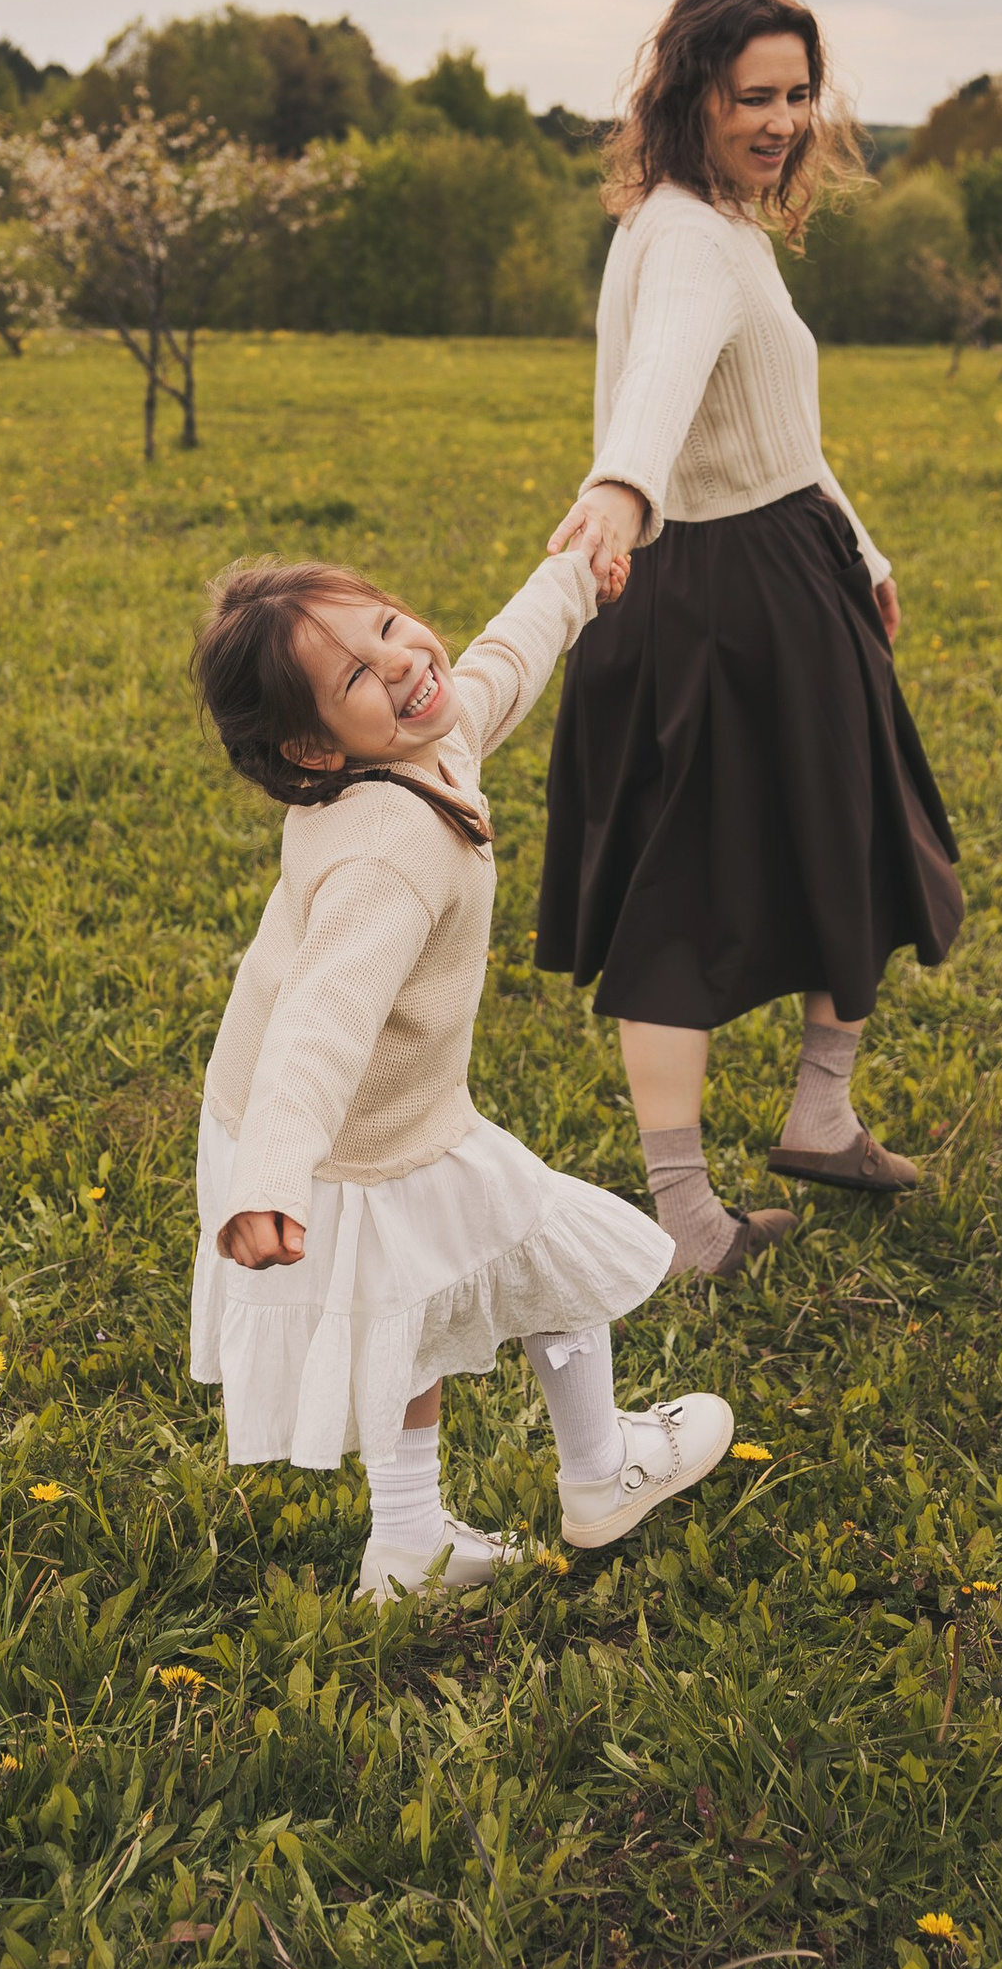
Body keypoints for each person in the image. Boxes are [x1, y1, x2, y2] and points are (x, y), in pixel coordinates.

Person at [188, 538, 735, 1599]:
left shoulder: (415, 743)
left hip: (335, 1130)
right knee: (549, 1254)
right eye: (355, 676)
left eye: (388, 627)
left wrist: (581, 573)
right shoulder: (388, 847)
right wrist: (270, 1179)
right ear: (311, 748)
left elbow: (503, 658)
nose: (398, 663)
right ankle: (601, 1471)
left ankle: (408, 1547)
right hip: (333, 1140)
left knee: (418, 1306)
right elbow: (322, 1018)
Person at [536, 0, 964, 1274]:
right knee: (686, 905)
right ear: (690, 98)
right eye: (752, 97)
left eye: (796, 95)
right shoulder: (685, 240)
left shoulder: (720, 223)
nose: (781, 121)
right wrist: (618, 489)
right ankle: (685, 1220)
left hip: (788, 563)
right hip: (717, 592)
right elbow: (661, 388)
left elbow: (778, 427)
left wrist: (863, 544)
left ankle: (820, 1119)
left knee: (863, 839)